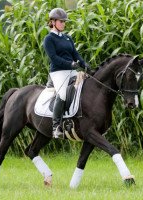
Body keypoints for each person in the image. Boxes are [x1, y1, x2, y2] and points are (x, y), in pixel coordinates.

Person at [43, 8, 90, 138]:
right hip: (58, 72)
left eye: (64, 22)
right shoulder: (49, 39)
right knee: (62, 94)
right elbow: (54, 58)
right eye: (61, 21)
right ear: (52, 22)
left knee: (84, 88)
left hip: (72, 70)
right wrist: (70, 64)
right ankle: (56, 126)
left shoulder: (67, 38)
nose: (64, 24)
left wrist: (83, 63)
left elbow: (75, 54)